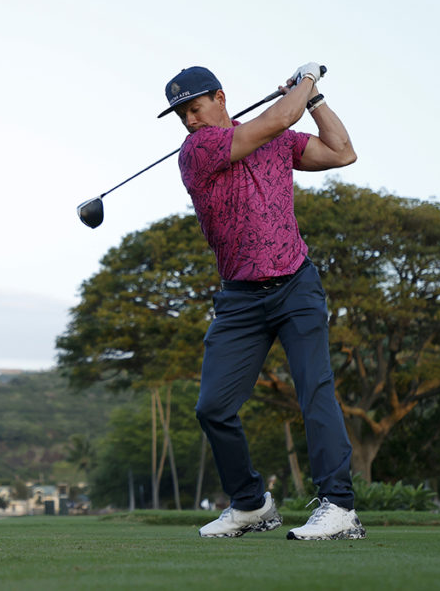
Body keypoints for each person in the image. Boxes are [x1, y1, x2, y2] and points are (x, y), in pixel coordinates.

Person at [156, 63, 365, 541]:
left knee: (315, 392)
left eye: (194, 107)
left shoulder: (274, 138)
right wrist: (306, 81)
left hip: (296, 283)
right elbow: (273, 122)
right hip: (241, 299)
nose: (189, 120)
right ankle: (251, 504)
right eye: (181, 114)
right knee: (213, 407)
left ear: (220, 97)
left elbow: (342, 152)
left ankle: (339, 507)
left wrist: (312, 101)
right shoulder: (198, 150)